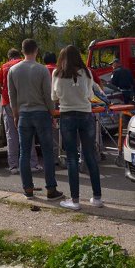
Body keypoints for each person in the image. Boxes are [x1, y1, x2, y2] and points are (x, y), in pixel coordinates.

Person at [8, 39, 62, 200]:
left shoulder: (13, 70)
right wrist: (52, 114)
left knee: (24, 152)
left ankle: (28, 189)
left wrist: (16, 115)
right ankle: (51, 189)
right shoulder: (42, 70)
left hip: (24, 114)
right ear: (36, 50)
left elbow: (12, 96)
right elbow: (48, 95)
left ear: (22, 50)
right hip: (41, 114)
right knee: (47, 152)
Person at [52, 45, 104, 211]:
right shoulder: (87, 72)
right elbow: (90, 95)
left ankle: (75, 200)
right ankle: (97, 198)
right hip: (86, 115)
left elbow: (54, 96)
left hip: (67, 115)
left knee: (72, 158)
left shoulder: (57, 73)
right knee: (90, 155)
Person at [0, 48, 41, 174]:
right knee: (28, 133)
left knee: (11, 136)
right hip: (24, 102)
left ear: (9, 57)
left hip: (8, 103)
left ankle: (13, 166)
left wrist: (5, 93)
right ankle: (33, 164)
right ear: (19, 55)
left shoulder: (4, 67)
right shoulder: (25, 64)